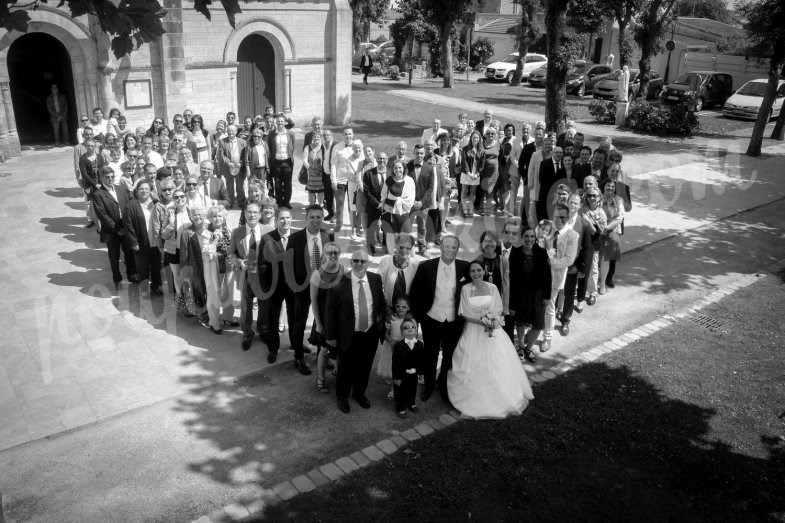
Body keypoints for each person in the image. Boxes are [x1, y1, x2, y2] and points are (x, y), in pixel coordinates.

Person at [447, 260, 534, 419]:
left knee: (497, 362)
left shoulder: (492, 287)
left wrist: (492, 321)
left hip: (493, 330)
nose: (476, 273)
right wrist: (484, 321)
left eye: (479, 270)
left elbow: (498, 308)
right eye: (473, 271)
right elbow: (464, 312)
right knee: (473, 362)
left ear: (484, 270)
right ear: (469, 273)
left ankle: (501, 396)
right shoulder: (466, 289)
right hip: (473, 330)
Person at [410, 234, 469, 403]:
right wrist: (417, 317)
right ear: (441, 247)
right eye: (447, 246)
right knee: (431, 354)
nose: (450, 250)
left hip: (454, 320)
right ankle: (428, 386)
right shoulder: (427, 266)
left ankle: (443, 386)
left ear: (458, 249)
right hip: (431, 318)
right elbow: (415, 293)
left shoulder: (465, 267)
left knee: (449, 356)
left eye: (454, 247)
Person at [326, 249, 386, 414]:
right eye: (356, 260)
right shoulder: (338, 281)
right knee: (346, 368)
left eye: (363, 261)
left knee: (365, 367)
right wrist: (330, 336)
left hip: (369, 333)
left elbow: (380, 304)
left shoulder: (375, 279)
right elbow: (330, 310)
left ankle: (359, 394)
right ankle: (342, 396)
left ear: (368, 264)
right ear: (350, 263)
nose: (359, 264)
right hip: (348, 334)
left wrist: (383, 323)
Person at [283, 204, 332, 374]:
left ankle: (322, 354)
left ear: (322, 218)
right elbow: (287, 265)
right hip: (301, 288)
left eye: (319, 217)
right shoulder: (295, 239)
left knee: (323, 321)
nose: (315, 220)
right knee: (299, 322)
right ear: (306, 218)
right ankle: (298, 357)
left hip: (322, 287)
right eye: (312, 217)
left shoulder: (327, 236)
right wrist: (293, 286)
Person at [541, 203, 579, 352]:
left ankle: (547, 336)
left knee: (550, 307)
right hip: (540, 273)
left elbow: (569, 259)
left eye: (563, 217)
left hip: (555, 276)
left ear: (568, 218)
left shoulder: (572, 235)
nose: (559, 220)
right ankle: (535, 328)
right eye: (557, 217)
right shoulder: (547, 228)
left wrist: (552, 262)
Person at [92, 167, 137, 289]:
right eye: (107, 177)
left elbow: (128, 205)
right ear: (101, 178)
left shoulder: (120, 189)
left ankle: (132, 275)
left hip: (126, 227)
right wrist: (117, 230)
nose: (110, 179)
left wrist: (128, 226)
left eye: (112, 176)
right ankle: (117, 280)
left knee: (129, 253)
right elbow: (103, 215)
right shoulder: (97, 194)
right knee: (114, 256)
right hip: (111, 231)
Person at [309, 241, 345, 393]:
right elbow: (314, 300)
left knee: (339, 348)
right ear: (324, 255)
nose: (333, 255)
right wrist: (318, 323)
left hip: (340, 317)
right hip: (324, 317)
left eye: (336, 252)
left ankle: (337, 370)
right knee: (324, 350)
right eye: (330, 252)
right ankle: (321, 378)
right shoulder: (317, 274)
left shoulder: (343, 269)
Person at [229, 202, 264, 350]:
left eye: (255, 212)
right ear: (244, 213)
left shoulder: (268, 230)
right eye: (249, 212)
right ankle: (247, 333)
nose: (252, 215)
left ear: (260, 214)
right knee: (246, 306)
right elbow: (230, 254)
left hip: (264, 277)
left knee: (264, 305)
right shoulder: (237, 232)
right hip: (246, 276)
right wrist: (238, 261)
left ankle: (263, 331)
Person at [558, 191, 593, 334]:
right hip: (557, 263)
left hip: (573, 266)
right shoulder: (559, 219)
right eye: (571, 202)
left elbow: (587, 249)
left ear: (579, 206)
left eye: (575, 203)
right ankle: (552, 314)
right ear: (567, 203)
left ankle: (565, 320)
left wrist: (583, 269)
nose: (572, 205)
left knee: (569, 292)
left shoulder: (584, 224)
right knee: (554, 291)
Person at [123, 179, 163, 295]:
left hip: (155, 240)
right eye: (141, 189)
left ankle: (156, 286)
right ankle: (144, 289)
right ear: (137, 191)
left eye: (146, 188)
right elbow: (128, 225)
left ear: (151, 190)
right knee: (142, 266)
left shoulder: (157, 203)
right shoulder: (131, 205)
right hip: (140, 241)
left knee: (156, 264)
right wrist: (133, 242)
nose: (144, 191)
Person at [179, 207, 211, 324]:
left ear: (205, 215)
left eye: (200, 214)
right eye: (194, 215)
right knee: (199, 291)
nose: (197, 217)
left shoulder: (210, 229)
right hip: (195, 268)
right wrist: (185, 273)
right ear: (191, 218)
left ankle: (210, 312)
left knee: (210, 290)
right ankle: (203, 316)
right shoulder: (186, 233)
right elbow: (184, 256)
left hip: (210, 266)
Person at [160, 187, 192, 297]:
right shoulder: (169, 213)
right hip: (174, 250)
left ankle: (190, 300)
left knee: (188, 276)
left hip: (189, 250)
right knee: (177, 276)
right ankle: (181, 301)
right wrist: (171, 223)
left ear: (186, 197)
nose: (179, 199)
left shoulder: (191, 212)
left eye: (182, 196)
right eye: (176, 197)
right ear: (173, 199)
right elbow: (163, 234)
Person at [379, 294, 410, 402]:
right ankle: (393, 390)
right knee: (392, 369)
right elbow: (385, 333)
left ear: (408, 308)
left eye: (403, 306)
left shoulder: (409, 321)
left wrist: (400, 342)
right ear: (395, 307)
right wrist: (391, 341)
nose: (400, 308)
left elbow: (410, 334)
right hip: (391, 348)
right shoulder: (391, 319)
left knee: (401, 370)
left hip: (403, 349)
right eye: (398, 306)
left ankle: (399, 388)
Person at [581, 186, 607, 306]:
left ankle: (592, 292)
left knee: (593, 268)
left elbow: (599, 231)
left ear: (599, 198)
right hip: (581, 243)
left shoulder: (601, 213)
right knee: (581, 267)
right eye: (590, 195)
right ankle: (580, 290)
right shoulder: (582, 209)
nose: (592, 198)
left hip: (594, 243)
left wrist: (588, 222)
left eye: (595, 196)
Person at [407, 144, 435, 255]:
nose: (419, 155)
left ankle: (422, 248)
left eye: (422, 153)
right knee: (407, 226)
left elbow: (430, 188)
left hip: (423, 204)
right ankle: (408, 247)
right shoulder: (407, 166)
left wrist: (422, 202)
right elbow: (404, 184)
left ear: (424, 154)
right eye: (417, 153)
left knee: (422, 226)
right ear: (413, 153)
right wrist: (411, 200)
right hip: (409, 203)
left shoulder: (429, 168)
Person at [392, 316, 423, 419]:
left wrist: (421, 372)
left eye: (412, 327)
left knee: (412, 389)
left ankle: (411, 403)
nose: (410, 328)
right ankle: (400, 407)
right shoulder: (399, 346)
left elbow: (421, 360)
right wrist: (396, 377)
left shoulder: (420, 344)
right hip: (402, 373)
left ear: (416, 330)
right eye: (406, 328)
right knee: (401, 391)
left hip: (414, 373)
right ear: (402, 333)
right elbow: (395, 363)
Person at [599, 179, 625, 294]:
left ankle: (603, 283)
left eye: (612, 186)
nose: (610, 188)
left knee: (606, 259)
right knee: (595, 259)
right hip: (597, 231)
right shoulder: (598, 198)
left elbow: (620, 217)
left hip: (610, 231)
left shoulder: (618, 200)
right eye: (607, 186)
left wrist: (607, 228)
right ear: (603, 187)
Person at [267, 114, 296, 209]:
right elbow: (269, 148)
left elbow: (292, 146)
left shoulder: (290, 133)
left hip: (287, 162)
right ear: (276, 123)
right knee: (278, 183)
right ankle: (279, 202)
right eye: (278, 121)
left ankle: (287, 201)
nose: (280, 123)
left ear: (285, 123)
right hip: (276, 162)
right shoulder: (271, 134)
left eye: (282, 121)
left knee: (288, 183)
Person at [380, 160, 415, 237]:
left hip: (403, 212)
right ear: (393, 169)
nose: (398, 170)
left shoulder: (409, 181)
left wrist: (405, 206)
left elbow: (411, 197)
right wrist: (382, 211)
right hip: (389, 212)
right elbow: (383, 195)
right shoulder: (389, 180)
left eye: (400, 167)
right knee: (391, 235)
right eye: (395, 168)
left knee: (405, 235)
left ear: (404, 168)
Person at [363, 149, 388, 255]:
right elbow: (367, 192)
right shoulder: (369, 174)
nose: (381, 160)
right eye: (379, 158)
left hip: (388, 206)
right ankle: (371, 248)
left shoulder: (392, 172)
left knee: (387, 227)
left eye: (383, 158)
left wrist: (386, 204)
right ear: (376, 160)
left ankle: (386, 247)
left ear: (386, 160)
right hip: (374, 205)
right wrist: (378, 204)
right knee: (371, 228)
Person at [218, 124, 247, 209]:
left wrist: (241, 163)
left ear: (236, 132)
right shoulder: (222, 141)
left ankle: (241, 201)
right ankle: (230, 202)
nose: (231, 132)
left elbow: (246, 155)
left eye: (232, 131)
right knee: (229, 185)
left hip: (240, 167)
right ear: (227, 132)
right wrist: (228, 163)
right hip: (228, 167)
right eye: (229, 130)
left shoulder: (242, 142)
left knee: (240, 185)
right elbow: (221, 154)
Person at [460, 130, 484, 218]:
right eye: (474, 137)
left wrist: (477, 174)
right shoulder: (465, 149)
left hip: (476, 175)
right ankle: (464, 209)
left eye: (477, 138)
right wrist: (469, 173)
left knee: (473, 192)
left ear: (479, 139)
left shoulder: (482, 151)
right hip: (466, 174)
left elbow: (482, 165)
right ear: (471, 138)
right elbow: (464, 162)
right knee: (464, 191)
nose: (475, 139)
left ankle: (470, 209)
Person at [245, 127, 270, 197]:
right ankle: (252, 202)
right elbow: (246, 159)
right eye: (254, 136)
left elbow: (268, 156)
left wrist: (268, 168)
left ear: (261, 136)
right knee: (252, 186)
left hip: (262, 169)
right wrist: (248, 170)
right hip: (253, 169)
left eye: (258, 136)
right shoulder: (249, 145)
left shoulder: (264, 144)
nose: (256, 138)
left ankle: (261, 202)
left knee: (261, 186)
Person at [303, 132, 325, 206]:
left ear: (321, 138)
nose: (316, 138)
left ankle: (320, 205)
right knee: (311, 190)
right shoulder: (307, 147)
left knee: (321, 190)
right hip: (311, 173)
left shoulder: (323, 147)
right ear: (312, 138)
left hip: (320, 173)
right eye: (314, 137)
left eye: (318, 137)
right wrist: (310, 168)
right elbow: (305, 160)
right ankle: (311, 205)